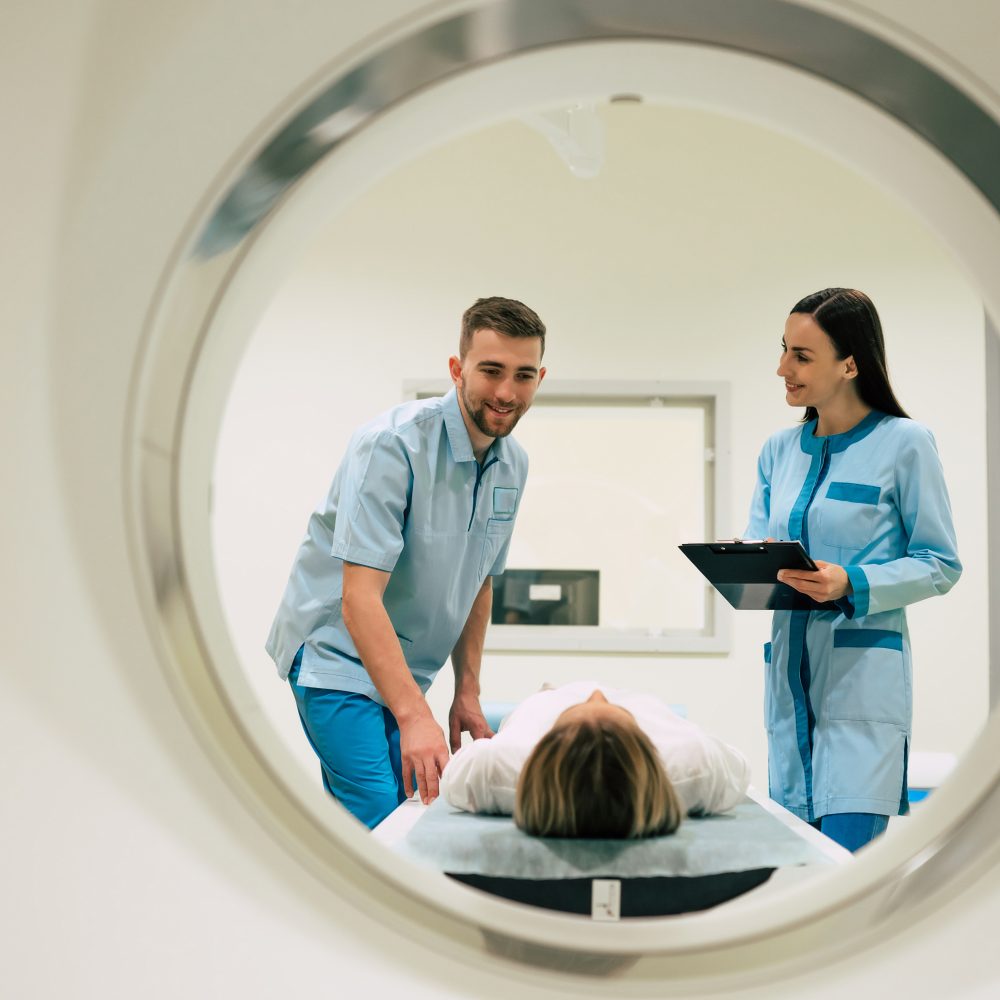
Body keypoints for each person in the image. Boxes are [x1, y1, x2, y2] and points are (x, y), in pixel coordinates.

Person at [265, 297, 547, 829]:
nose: (507, 392)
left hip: (406, 672)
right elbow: (359, 597)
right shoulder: (392, 444)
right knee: (381, 821)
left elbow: (479, 581)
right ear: (457, 368)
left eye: (523, 375)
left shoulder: (513, 464)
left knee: (414, 814)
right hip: (337, 659)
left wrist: (467, 691)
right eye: (491, 371)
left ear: (540, 377)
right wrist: (415, 714)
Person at [746, 288, 961, 853]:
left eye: (801, 356)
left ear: (850, 363)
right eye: (784, 350)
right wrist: (747, 565)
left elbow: (940, 564)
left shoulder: (905, 444)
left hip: (861, 688)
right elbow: (758, 546)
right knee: (796, 878)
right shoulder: (777, 451)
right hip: (789, 687)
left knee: (845, 873)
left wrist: (853, 582)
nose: (782, 369)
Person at [440, 681, 751, 838]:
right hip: (638, 703)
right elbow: (739, 767)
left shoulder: (499, 769)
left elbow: (455, 775)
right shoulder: (694, 764)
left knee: (546, 695)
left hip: (547, 698)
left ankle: (551, 693)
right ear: (646, 742)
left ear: (543, 744)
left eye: (579, 708)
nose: (597, 693)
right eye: (614, 709)